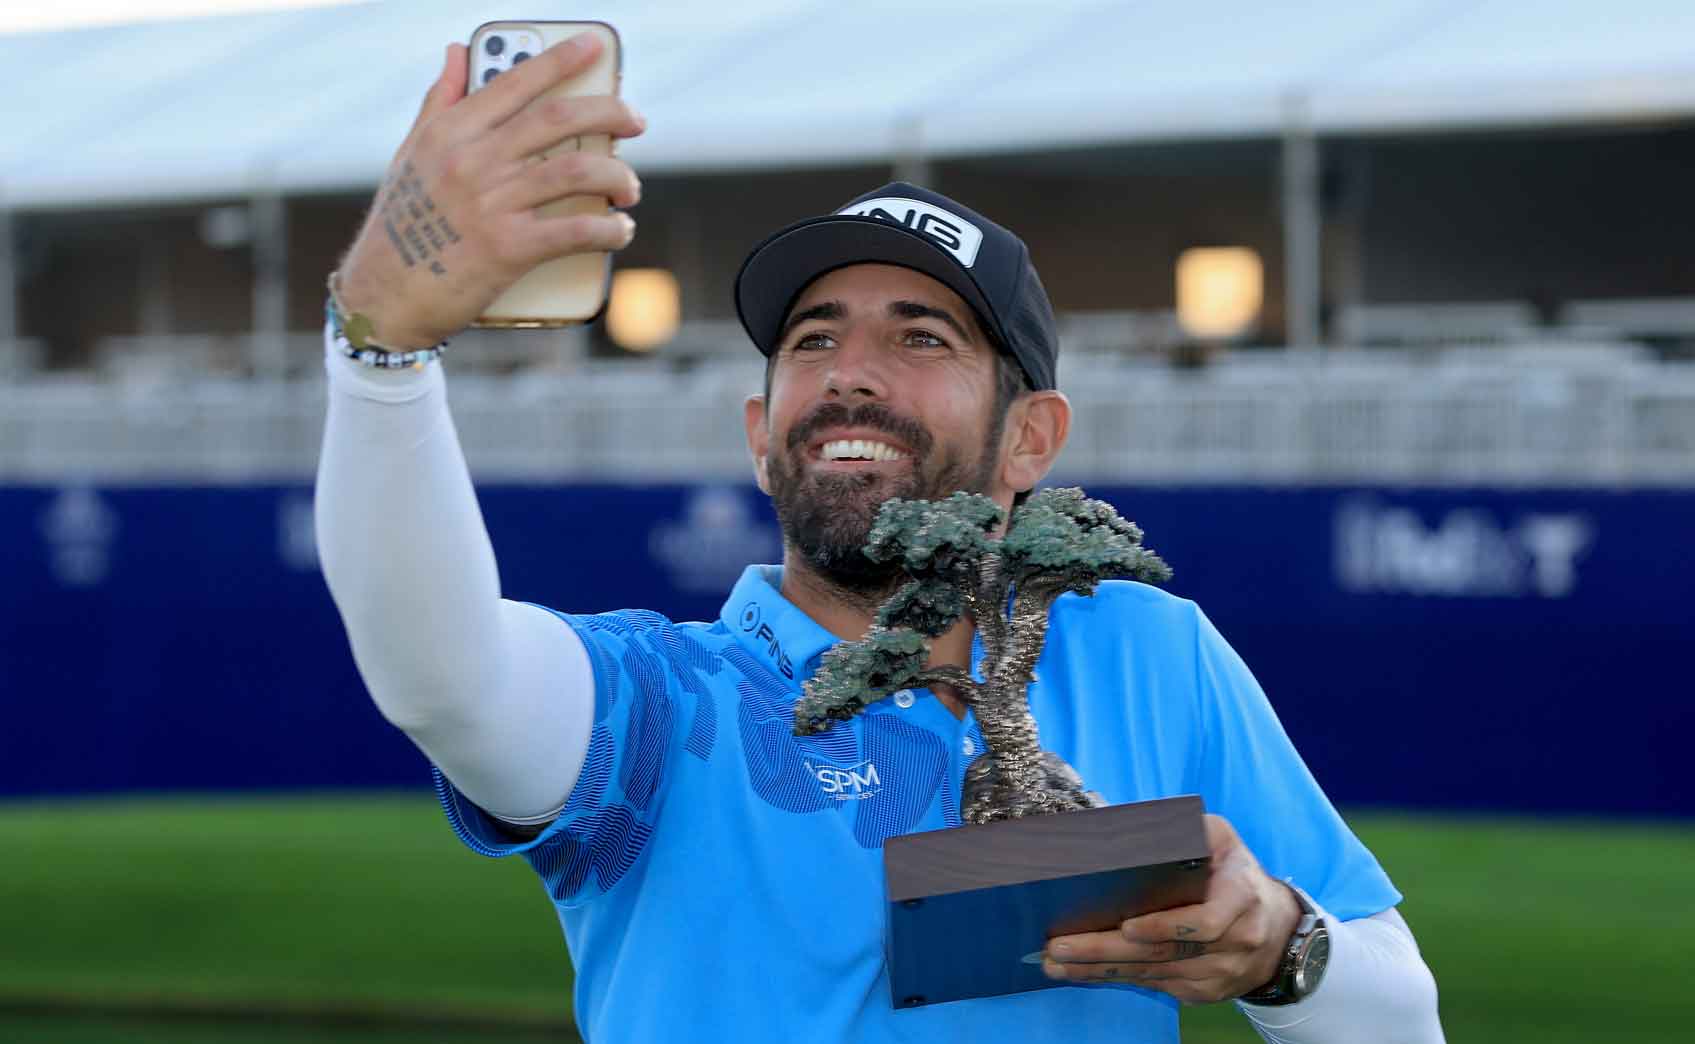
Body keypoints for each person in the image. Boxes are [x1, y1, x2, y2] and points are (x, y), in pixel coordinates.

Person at [315, 33, 1444, 1044]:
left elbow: (1401, 1018)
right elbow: (443, 677)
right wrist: (380, 350)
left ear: (1028, 441)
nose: (850, 374)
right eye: (812, 340)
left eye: (921, 338)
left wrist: (1283, 949)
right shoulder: (665, 705)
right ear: (761, 438)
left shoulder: (1147, 650)